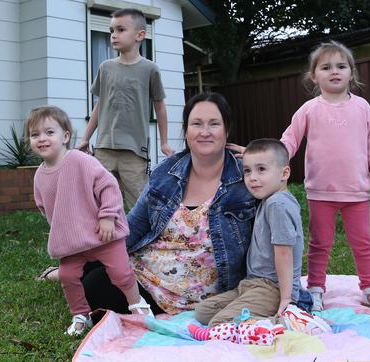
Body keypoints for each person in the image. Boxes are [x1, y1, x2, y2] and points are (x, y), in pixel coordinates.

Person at [229, 41, 370, 312]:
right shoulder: (309, 109)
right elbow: (288, 142)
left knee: (363, 242)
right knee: (320, 244)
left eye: (341, 66)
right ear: (313, 76)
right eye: (326, 67)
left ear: (351, 72)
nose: (334, 72)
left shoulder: (363, 108)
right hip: (321, 192)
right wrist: (259, 154)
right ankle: (316, 287)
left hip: (357, 192)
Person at [81, 92, 261, 315]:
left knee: (92, 286)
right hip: (146, 270)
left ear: (227, 131)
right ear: (186, 131)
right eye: (197, 124)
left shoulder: (247, 176)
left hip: (198, 291)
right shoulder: (167, 171)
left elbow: (279, 186)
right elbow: (134, 226)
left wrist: (259, 159)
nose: (205, 132)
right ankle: (69, 270)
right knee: (87, 262)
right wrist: (97, 254)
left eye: (214, 124)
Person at [26, 105, 153, 336]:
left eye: (49, 132)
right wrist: (61, 228)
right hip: (73, 242)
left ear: (65, 136)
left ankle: (138, 305)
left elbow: (109, 186)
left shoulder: (79, 160)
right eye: (35, 135)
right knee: (67, 276)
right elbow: (43, 206)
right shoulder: (39, 176)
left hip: (103, 234)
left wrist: (107, 217)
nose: (42, 139)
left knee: (121, 272)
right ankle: (80, 315)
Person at [187, 139, 329, 341]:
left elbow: (284, 253)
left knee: (218, 324)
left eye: (261, 169)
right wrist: (252, 154)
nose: (252, 178)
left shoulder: (277, 205)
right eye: (247, 171)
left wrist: (288, 298)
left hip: (272, 288)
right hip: (251, 285)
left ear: (285, 173)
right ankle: (266, 314)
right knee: (203, 311)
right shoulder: (270, 199)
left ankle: (286, 322)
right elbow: (271, 156)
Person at [76, 8, 174, 210]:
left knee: (141, 205)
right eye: (112, 30)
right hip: (104, 149)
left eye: (120, 29)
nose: (113, 35)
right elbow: (100, 104)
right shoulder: (105, 67)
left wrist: (164, 142)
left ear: (140, 35)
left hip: (134, 152)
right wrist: (86, 138)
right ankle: (104, 241)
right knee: (98, 202)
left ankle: (143, 241)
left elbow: (160, 106)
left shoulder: (149, 69)